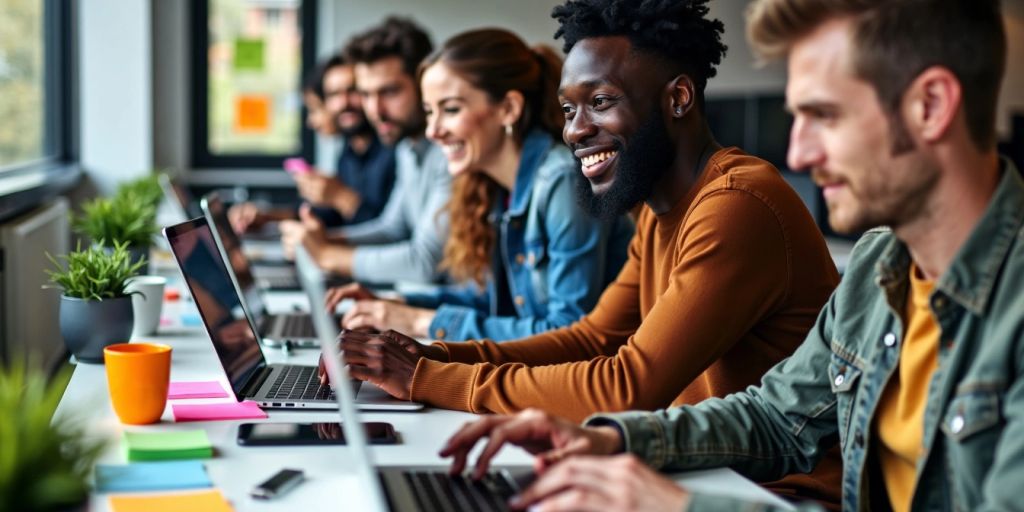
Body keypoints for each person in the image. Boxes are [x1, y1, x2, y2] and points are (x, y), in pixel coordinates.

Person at [440, 0, 1019, 510]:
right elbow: (776, 419)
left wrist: (677, 505)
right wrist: (612, 439)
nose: (799, 151)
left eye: (825, 115)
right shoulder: (878, 266)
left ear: (930, 105)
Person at [323, 0, 843, 506]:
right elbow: (592, 338)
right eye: (569, 110)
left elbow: (627, 384)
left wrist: (428, 379)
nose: (575, 131)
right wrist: (431, 354)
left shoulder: (736, 204)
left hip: (772, 493)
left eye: (600, 102)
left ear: (678, 97)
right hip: (698, 472)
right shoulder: (660, 211)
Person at [322, 28, 633, 342]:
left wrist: (420, 321)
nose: (433, 131)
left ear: (508, 109)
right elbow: (498, 303)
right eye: (430, 112)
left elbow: (568, 333)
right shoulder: (493, 187)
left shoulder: (562, 183)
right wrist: (397, 305)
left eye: (451, 109)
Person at [282, 17, 451, 284]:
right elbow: (392, 229)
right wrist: (322, 240)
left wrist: (327, 254)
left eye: (390, 92)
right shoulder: (407, 147)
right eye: (367, 94)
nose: (375, 110)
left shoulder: (450, 152)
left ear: (423, 83)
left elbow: (424, 262)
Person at [229, 55, 396, 232]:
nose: (343, 102)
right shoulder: (348, 153)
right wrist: (266, 217)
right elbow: (331, 216)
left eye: (352, 90)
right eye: (333, 94)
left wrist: (340, 196)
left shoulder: (394, 151)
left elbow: (391, 231)